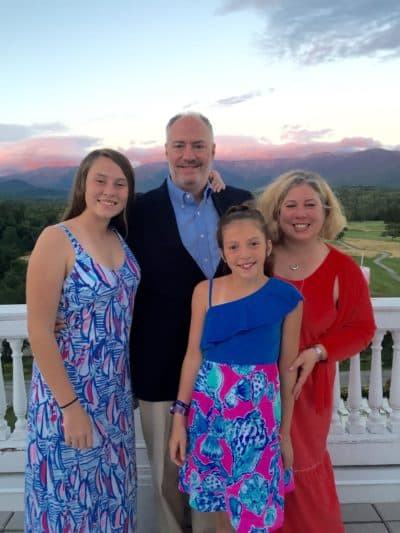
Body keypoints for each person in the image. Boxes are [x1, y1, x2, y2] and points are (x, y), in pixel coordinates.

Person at [127, 112, 252, 533]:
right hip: (159, 368)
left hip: (226, 371)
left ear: (213, 152)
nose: (188, 154)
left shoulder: (237, 201)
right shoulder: (138, 210)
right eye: (179, 145)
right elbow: (99, 262)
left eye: (198, 145)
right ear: (165, 152)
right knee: (168, 482)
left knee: (217, 480)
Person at [25, 149, 140, 532]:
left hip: (114, 401)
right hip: (69, 396)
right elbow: (39, 330)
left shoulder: (119, 239)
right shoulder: (56, 239)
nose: (110, 190)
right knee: (68, 503)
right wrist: (70, 406)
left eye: (120, 183)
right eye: (101, 181)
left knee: (112, 503)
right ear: (83, 185)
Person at [169, 204, 303, 533]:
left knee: (254, 512)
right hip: (210, 416)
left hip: (258, 422)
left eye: (253, 243)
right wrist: (178, 420)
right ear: (223, 253)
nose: (245, 254)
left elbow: (287, 371)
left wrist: (284, 433)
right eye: (234, 246)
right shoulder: (205, 292)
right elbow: (191, 357)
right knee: (220, 508)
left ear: (268, 246)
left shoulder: (288, 298)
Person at [258, 170, 376, 533]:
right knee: (259, 471)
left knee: (300, 465)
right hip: (254, 391)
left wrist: (320, 351)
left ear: (326, 212)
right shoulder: (257, 257)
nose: (300, 213)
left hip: (307, 393)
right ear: (276, 212)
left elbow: (362, 329)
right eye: (290, 205)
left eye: (310, 204)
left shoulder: (342, 270)